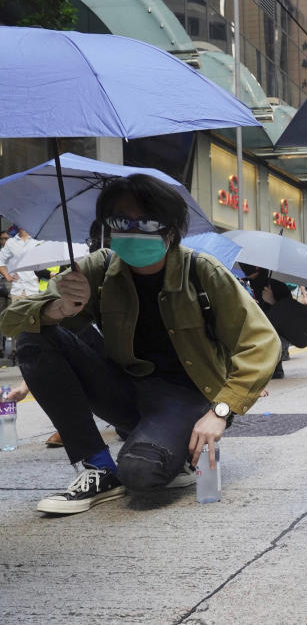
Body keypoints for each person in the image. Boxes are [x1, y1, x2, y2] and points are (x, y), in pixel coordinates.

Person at [0, 174, 280, 515]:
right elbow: (14, 320)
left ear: (171, 229)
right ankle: (98, 466)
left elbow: (261, 342)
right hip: (124, 387)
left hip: (185, 397)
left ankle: (165, 450)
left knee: (140, 473)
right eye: (121, 221)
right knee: (37, 329)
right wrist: (59, 308)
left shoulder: (201, 271)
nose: (133, 230)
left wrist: (220, 411)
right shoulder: (98, 269)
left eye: (145, 222)